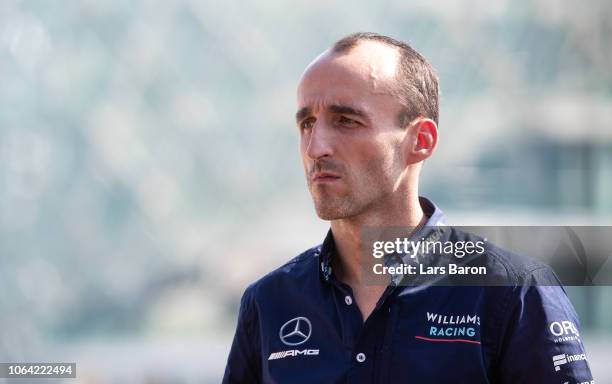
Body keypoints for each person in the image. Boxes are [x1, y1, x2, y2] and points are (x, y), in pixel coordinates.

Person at [222, 32, 594, 383]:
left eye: (346, 121)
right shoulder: (269, 301)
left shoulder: (513, 292)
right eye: (306, 123)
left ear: (421, 140)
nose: (315, 147)